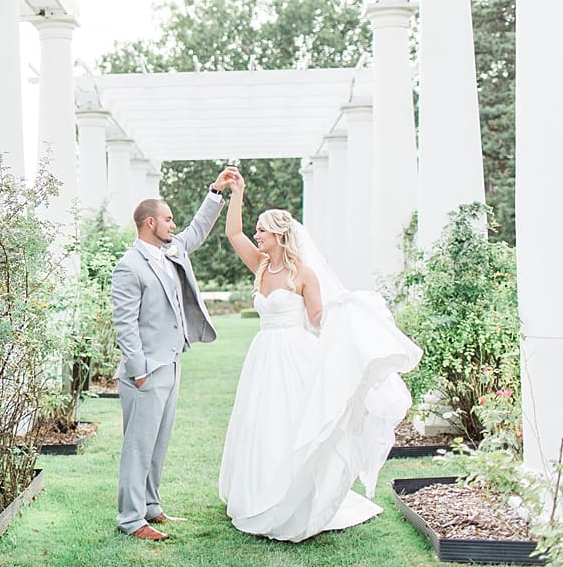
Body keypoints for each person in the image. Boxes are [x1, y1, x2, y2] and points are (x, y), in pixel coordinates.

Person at [217, 169, 421, 542]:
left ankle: (295, 496)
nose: (257, 235)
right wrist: (237, 193)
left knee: (293, 421)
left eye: (262, 230)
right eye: (257, 230)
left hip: (295, 355)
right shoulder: (260, 266)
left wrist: (345, 313)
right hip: (263, 357)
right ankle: (259, 492)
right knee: (261, 422)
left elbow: (316, 319)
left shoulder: (304, 274)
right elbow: (233, 233)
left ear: (279, 235)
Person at [112, 166, 240, 541]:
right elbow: (125, 325)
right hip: (146, 371)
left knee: (158, 443)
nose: (174, 224)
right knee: (138, 447)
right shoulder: (129, 267)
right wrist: (139, 370)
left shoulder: (170, 251)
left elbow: (197, 230)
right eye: (168, 219)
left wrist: (216, 192)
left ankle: (151, 506)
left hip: (171, 363)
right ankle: (131, 519)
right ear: (150, 223)